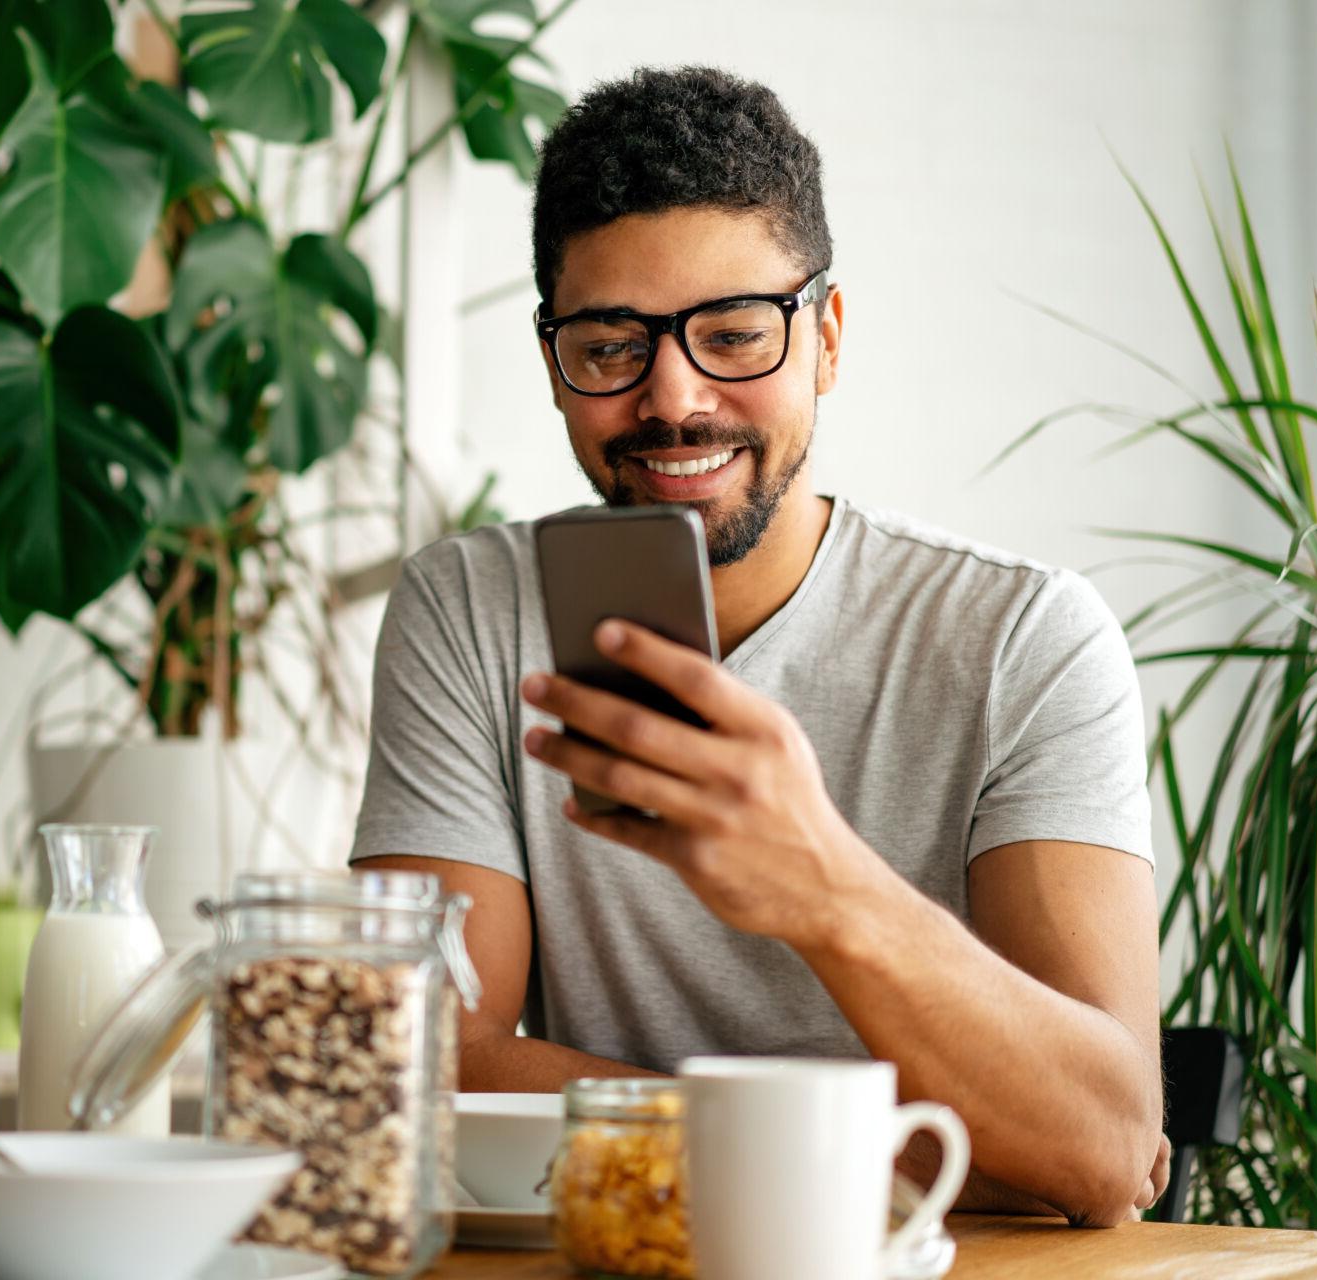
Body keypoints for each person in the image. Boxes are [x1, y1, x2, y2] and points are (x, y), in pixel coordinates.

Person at [350, 66, 1169, 1226]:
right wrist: (860, 1153)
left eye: (735, 333)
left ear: (826, 338)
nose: (673, 397)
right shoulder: (471, 610)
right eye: (606, 346)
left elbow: (1103, 1147)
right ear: (553, 367)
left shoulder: (1022, 640)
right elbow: (424, 1063)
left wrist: (822, 882)